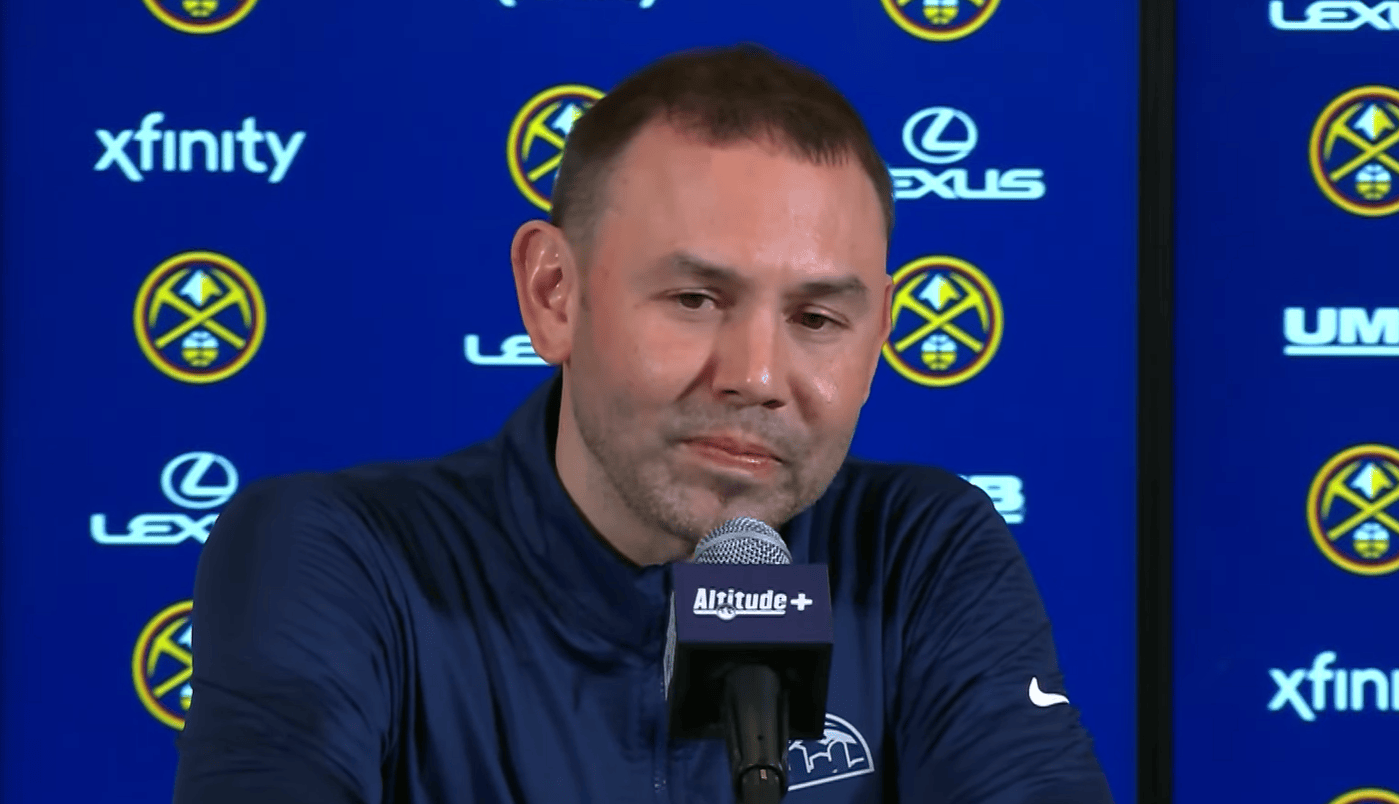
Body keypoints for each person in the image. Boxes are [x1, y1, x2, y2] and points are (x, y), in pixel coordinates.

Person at [173, 44, 1114, 804]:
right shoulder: (345, 555)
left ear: (874, 346)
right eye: (695, 299)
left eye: (817, 319)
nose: (756, 378)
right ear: (554, 295)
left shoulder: (919, 552)